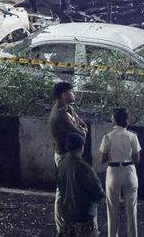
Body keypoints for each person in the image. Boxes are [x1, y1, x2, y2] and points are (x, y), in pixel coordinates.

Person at [49, 81, 89, 234]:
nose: (75, 94)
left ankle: (66, 223)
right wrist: (81, 129)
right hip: (64, 156)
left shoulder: (68, 109)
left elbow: (83, 126)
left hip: (68, 155)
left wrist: (81, 128)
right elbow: (81, 132)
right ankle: (61, 226)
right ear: (64, 94)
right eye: (72, 92)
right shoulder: (60, 114)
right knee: (63, 191)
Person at [100, 108, 141, 237]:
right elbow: (137, 159)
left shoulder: (108, 136)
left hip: (113, 172)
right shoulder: (132, 136)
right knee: (131, 210)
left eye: (112, 117)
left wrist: (111, 155)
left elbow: (102, 159)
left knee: (112, 210)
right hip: (129, 171)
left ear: (115, 119)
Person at [57, 133, 105, 237]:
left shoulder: (61, 164)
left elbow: (60, 187)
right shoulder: (84, 168)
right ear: (81, 147)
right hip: (83, 214)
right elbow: (97, 190)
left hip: (66, 213)